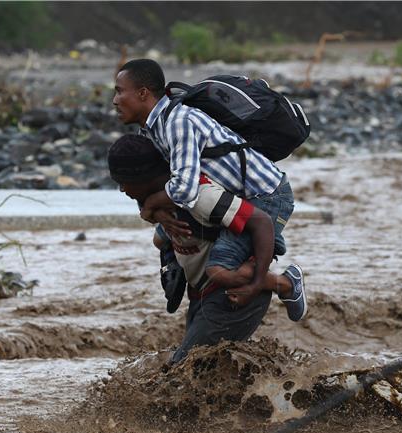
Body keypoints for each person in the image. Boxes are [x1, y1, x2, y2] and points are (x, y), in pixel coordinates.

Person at [112, 58, 305, 319]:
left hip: (266, 196)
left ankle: (286, 282)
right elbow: (157, 179)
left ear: (143, 93)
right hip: (228, 197)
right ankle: (185, 268)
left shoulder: (178, 122)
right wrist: (155, 212)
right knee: (160, 238)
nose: (114, 100)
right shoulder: (151, 130)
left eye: (119, 91)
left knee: (221, 270)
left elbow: (185, 189)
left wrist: (150, 205)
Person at [107, 134, 301, 363]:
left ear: (142, 178)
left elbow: (262, 222)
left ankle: (285, 283)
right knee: (206, 382)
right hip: (201, 296)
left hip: (233, 296)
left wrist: (257, 282)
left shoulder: (200, 196)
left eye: (122, 182)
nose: (121, 190)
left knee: (181, 374)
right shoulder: (158, 203)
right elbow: (161, 238)